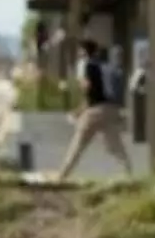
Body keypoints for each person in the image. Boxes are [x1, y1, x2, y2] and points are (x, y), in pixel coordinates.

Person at [52, 40, 132, 182]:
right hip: (109, 108)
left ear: (83, 51)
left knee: (78, 144)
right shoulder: (103, 66)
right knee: (114, 144)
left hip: (94, 111)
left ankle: (62, 176)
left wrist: (79, 110)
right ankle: (128, 172)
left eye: (80, 50)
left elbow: (88, 90)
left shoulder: (85, 65)